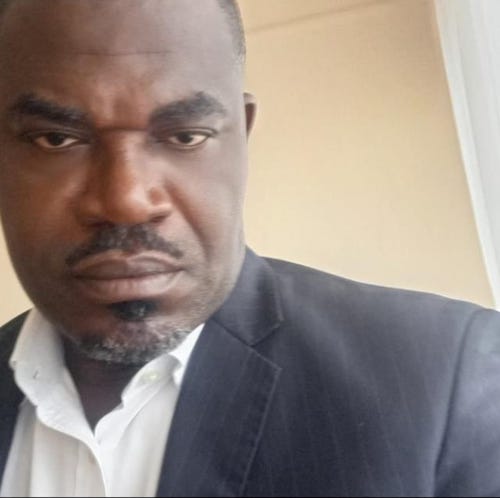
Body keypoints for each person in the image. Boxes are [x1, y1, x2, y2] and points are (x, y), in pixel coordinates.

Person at [0, 0, 499, 496]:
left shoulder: (447, 381)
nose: (126, 200)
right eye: (55, 139)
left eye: (186, 136)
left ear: (242, 136)